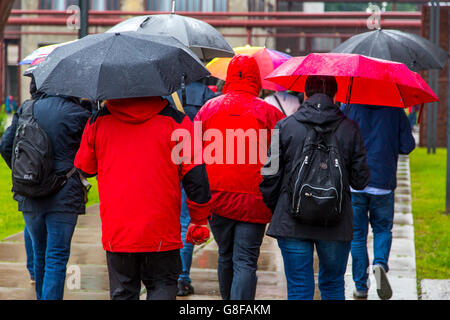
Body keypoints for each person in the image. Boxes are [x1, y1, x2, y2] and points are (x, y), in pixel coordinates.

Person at [74, 95, 212, 300]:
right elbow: (196, 174)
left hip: (118, 230)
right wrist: (199, 218)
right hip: (161, 229)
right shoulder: (176, 120)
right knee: (163, 285)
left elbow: (85, 167)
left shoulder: (99, 120)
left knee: (123, 292)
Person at [260, 75, 370, 300]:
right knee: (332, 285)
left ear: (305, 94)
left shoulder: (284, 126)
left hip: (292, 222)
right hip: (336, 223)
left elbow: (269, 176)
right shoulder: (350, 129)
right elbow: (360, 180)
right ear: (335, 95)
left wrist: (279, 205)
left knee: (299, 288)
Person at [194, 55, 285, 300]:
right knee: (245, 260)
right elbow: (278, 159)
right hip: (255, 198)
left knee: (225, 254)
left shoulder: (208, 109)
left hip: (217, 196)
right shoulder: (270, 113)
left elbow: (193, 154)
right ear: (256, 78)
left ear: (229, 77)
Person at [0, 75, 91, 300]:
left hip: (29, 193)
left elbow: (5, 145)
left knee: (40, 256)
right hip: (64, 195)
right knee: (57, 258)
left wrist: (25, 172)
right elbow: (89, 158)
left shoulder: (28, 108)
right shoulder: (78, 114)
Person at [341, 103, 415, 300]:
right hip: (383, 182)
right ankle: (380, 264)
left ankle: (361, 286)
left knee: (357, 235)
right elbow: (407, 146)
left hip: (355, 183)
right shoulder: (395, 109)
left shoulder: (349, 106)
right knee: (382, 229)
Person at [166, 80, 217, 296]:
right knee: (187, 223)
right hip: (195, 165)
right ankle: (182, 277)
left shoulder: (167, 93)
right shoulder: (207, 96)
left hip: (168, 164)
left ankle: (168, 273)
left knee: (168, 221)